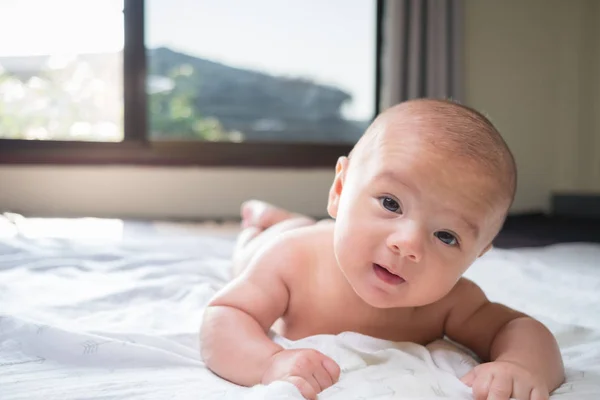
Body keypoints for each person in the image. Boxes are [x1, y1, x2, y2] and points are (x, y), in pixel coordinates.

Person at [200, 99, 564, 400]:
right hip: (281, 242)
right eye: (391, 203)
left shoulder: (450, 301)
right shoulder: (291, 260)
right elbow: (226, 314)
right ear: (339, 190)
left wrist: (521, 366)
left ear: (478, 254)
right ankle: (265, 220)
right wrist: (268, 362)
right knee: (266, 240)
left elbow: (519, 328)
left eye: (446, 236)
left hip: (327, 234)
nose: (407, 245)